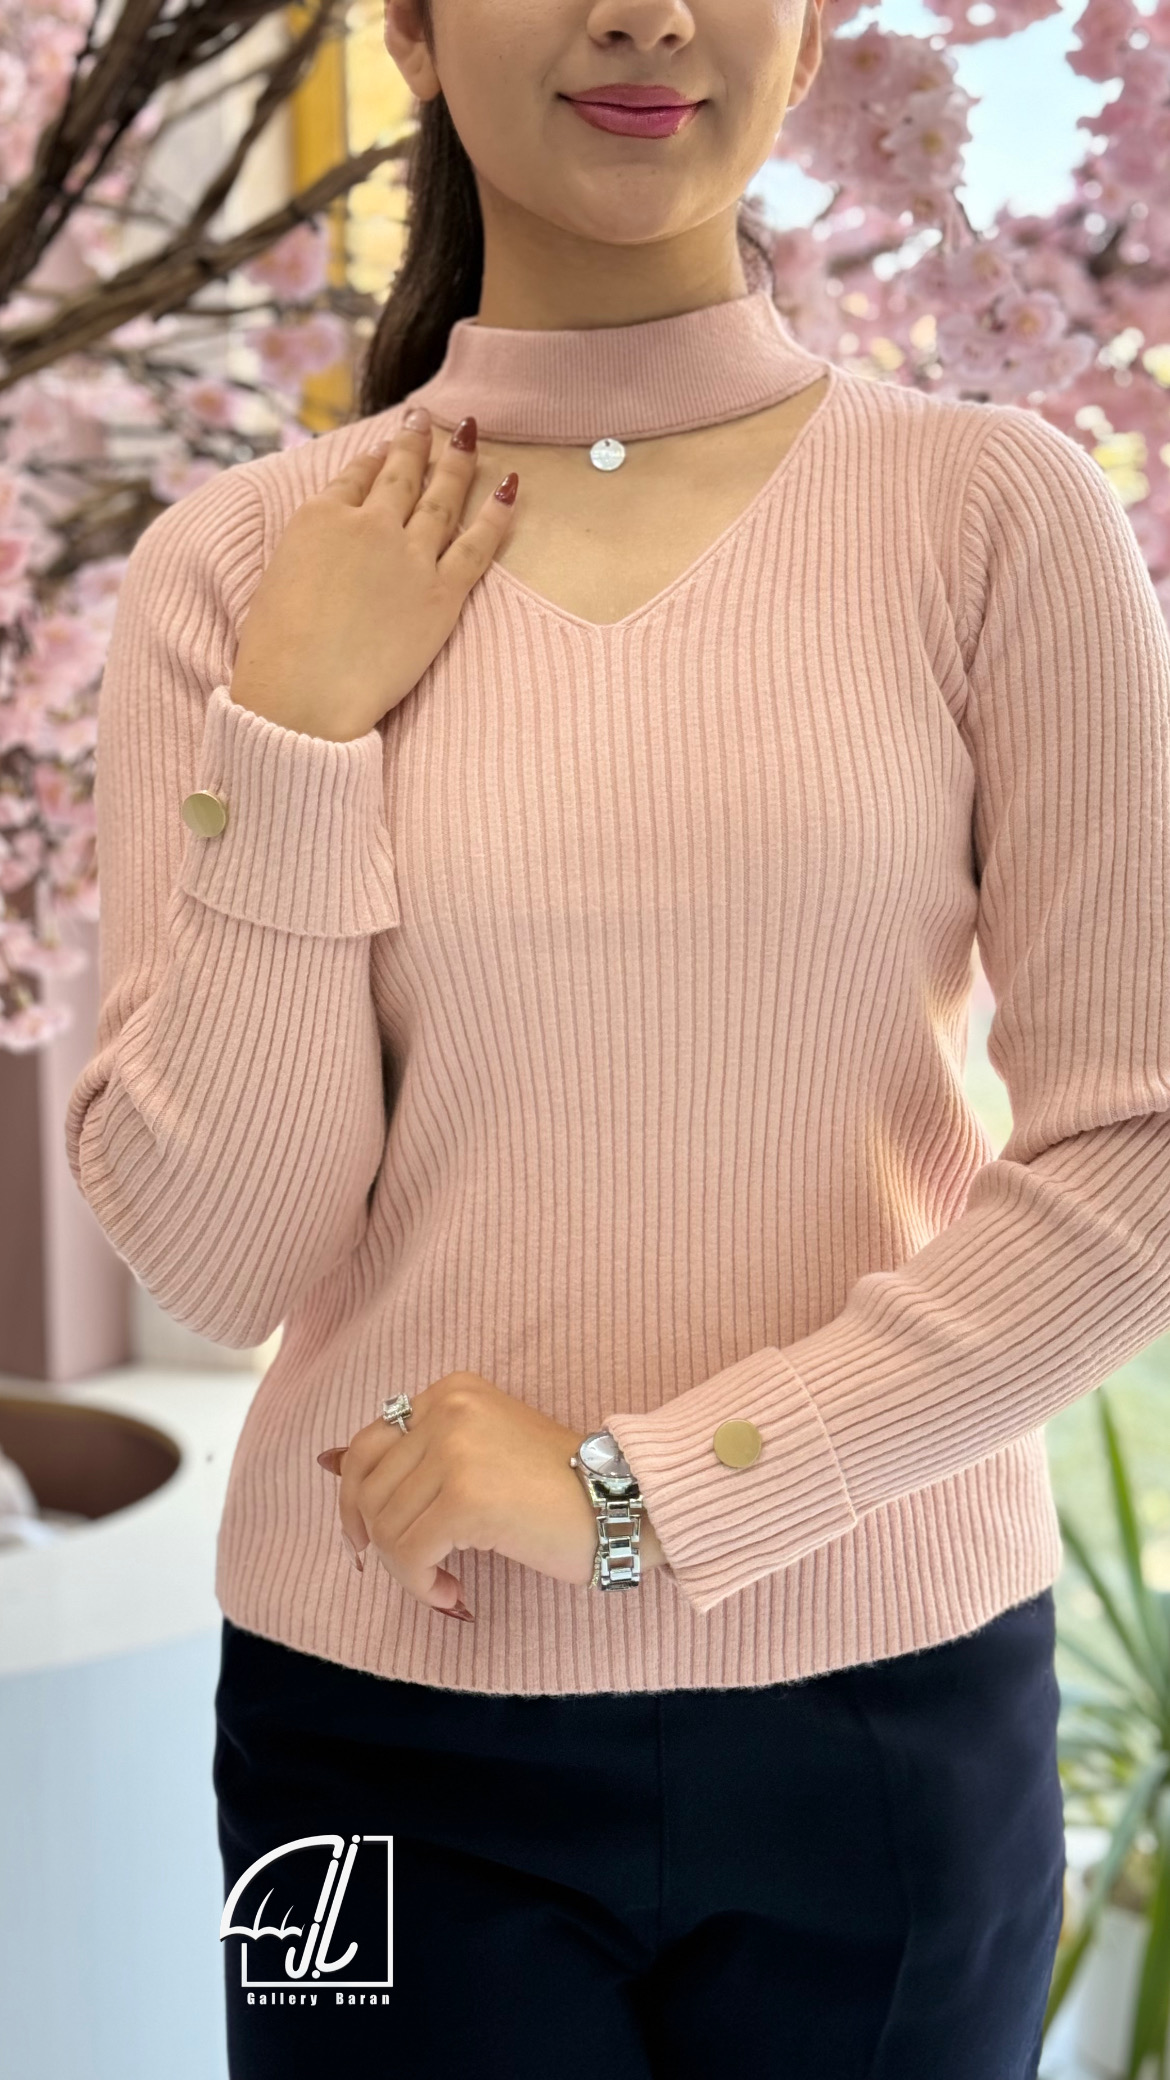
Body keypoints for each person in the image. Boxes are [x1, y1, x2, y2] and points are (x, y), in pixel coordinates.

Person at [64, 0, 1170, 2074]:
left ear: (814, 31)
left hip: (888, 1705)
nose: (649, 10)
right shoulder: (242, 573)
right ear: (410, 28)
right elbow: (221, 1252)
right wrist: (294, 731)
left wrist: (642, 1493)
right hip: (375, 1723)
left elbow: (1137, 1156)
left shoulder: (991, 514)